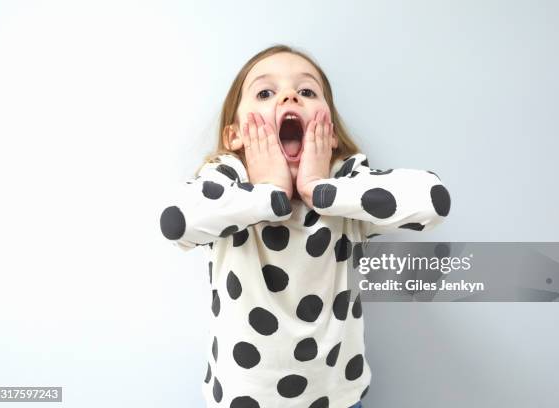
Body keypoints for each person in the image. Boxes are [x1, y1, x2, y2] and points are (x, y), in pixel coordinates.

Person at [159, 44, 451, 408]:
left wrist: (318, 188)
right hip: (242, 400)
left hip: (336, 399)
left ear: (329, 136)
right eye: (265, 93)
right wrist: (269, 194)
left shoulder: (345, 183)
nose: (289, 95)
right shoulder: (228, 183)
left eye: (307, 91)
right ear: (235, 136)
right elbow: (175, 222)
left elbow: (433, 201)